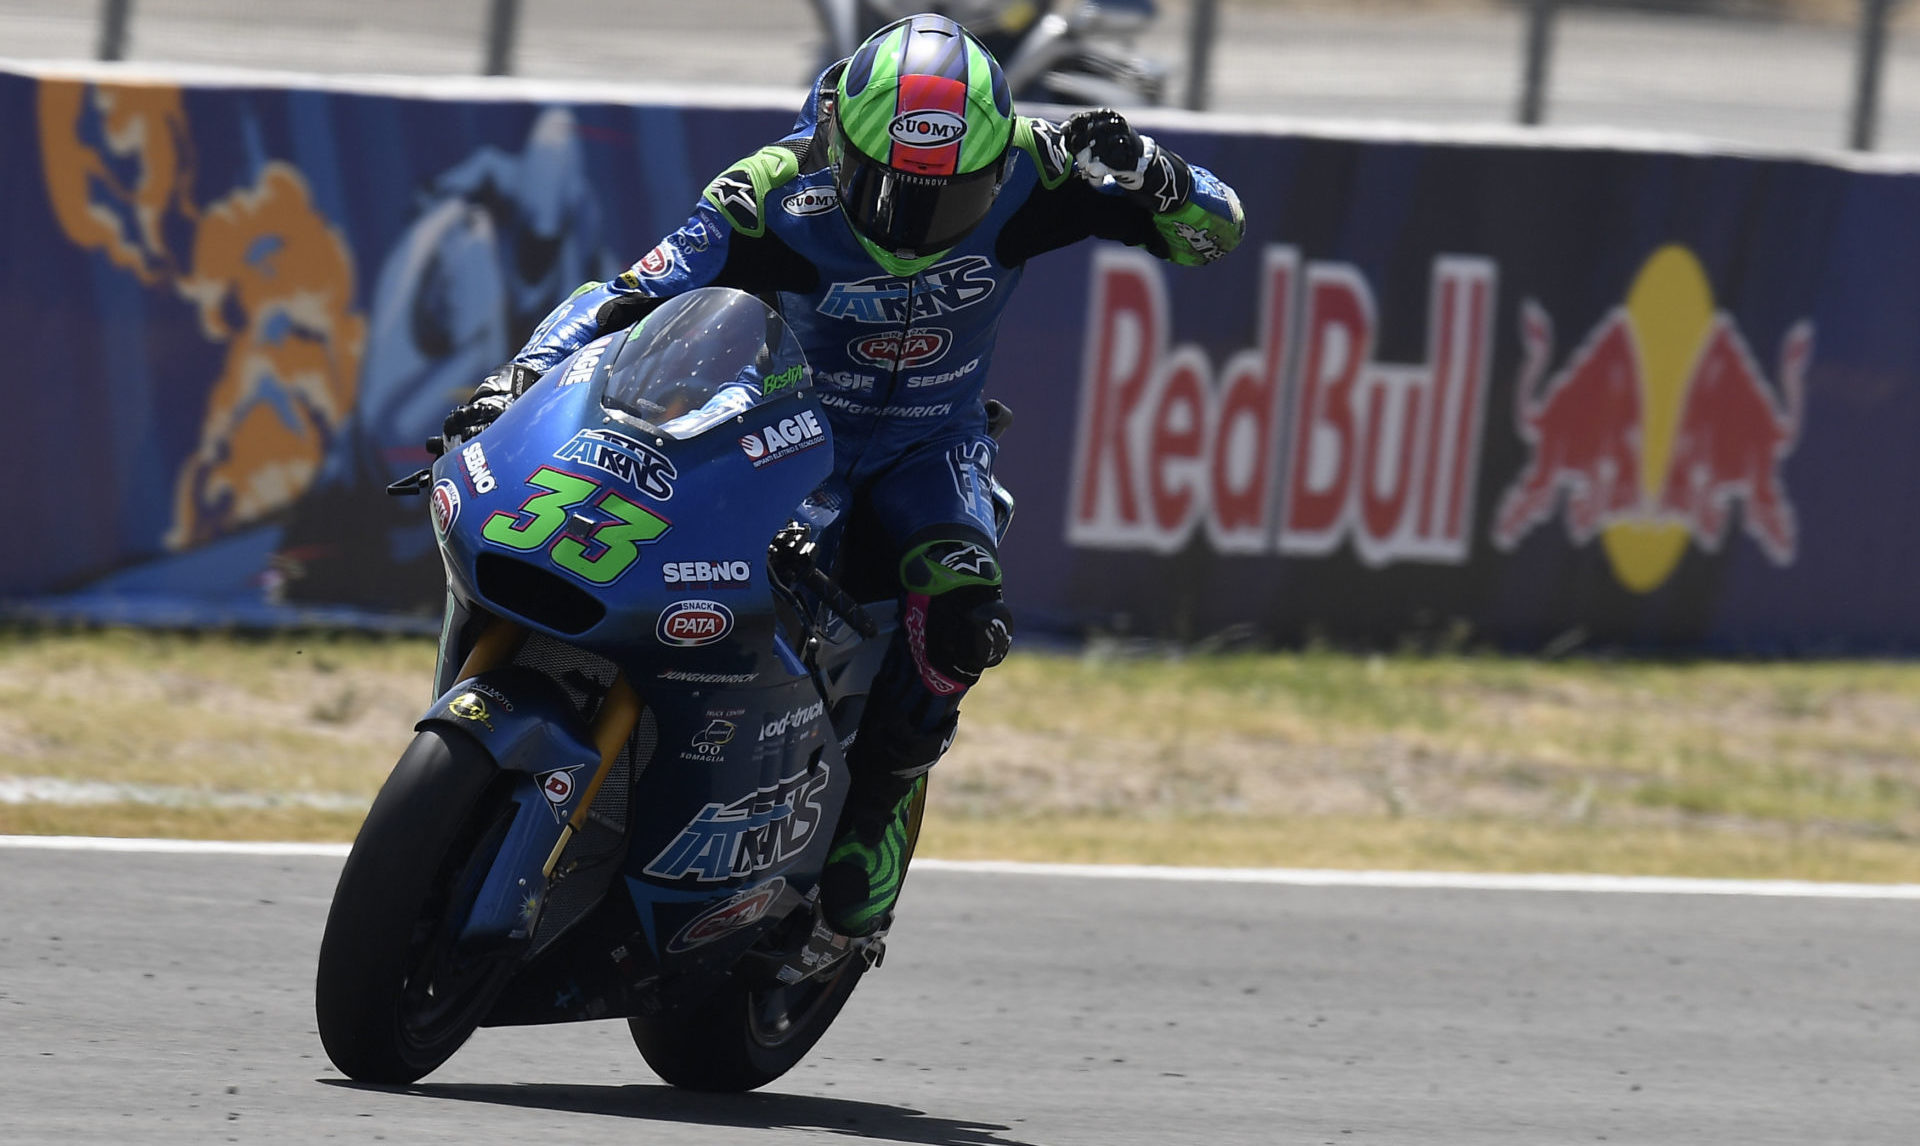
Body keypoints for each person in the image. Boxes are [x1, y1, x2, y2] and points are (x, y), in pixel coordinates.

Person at [442, 13, 1245, 936]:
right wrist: (520, 377)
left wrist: (1158, 174)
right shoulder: (768, 193)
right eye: (889, 189)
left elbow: (1212, 236)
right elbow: (626, 297)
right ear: (841, 142)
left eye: (948, 199)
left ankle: (880, 808)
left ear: (994, 167)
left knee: (960, 616)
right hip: (776, 433)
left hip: (927, 448)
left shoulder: (1042, 168)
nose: (913, 223)